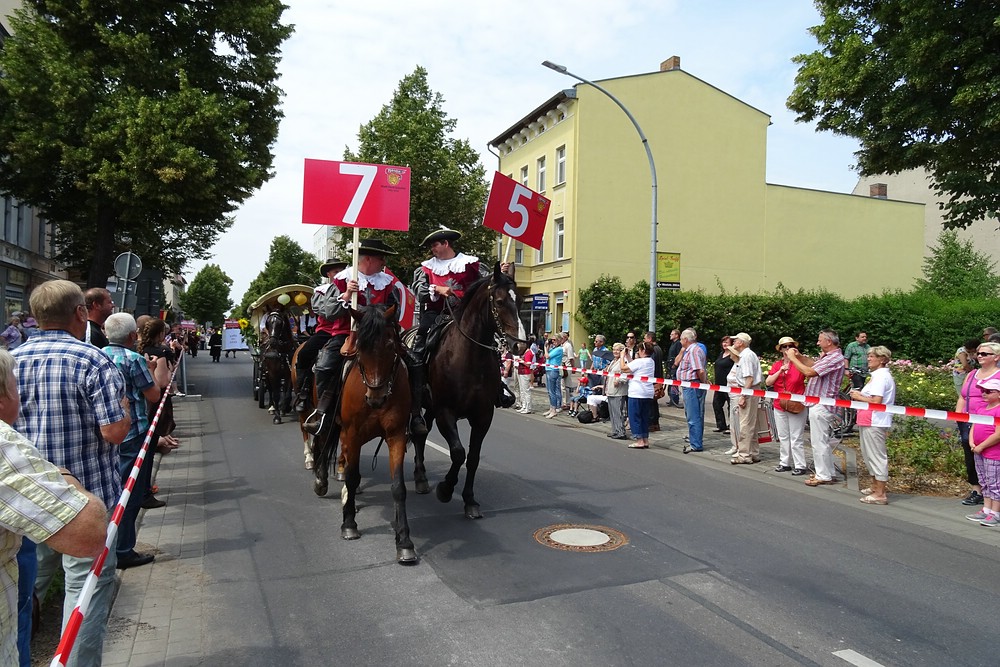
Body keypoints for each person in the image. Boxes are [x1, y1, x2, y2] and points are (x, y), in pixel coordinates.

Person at [14, 280, 129, 667]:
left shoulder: (12, 360)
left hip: (27, 497)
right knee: (85, 590)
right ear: (80, 313)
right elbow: (114, 432)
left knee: (28, 583)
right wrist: (125, 410)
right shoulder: (93, 361)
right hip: (85, 503)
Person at [0, 349, 108, 667]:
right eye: (16, 386)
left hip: (26, 525)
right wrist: (64, 477)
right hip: (56, 510)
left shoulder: (21, 351)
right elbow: (88, 535)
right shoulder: (4, 447)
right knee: (81, 582)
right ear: (3, 397)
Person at [304, 241, 423, 435]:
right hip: (347, 334)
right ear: (368, 259)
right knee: (325, 366)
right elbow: (328, 312)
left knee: (415, 363)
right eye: (381, 258)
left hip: (380, 337)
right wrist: (346, 295)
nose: (384, 262)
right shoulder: (342, 280)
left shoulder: (387, 282)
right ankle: (324, 415)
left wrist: (376, 316)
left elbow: (395, 310)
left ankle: (415, 415)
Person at [412, 227, 515, 416]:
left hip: (466, 314)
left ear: (446, 244)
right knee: (421, 341)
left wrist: (499, 275)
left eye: (434, 245)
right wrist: (437, 289)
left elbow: (488, 285)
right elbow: (420, 291)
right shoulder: (425, 268)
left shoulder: (471, 264)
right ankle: (416, 389)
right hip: (437, 313)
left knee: (489, 343)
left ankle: (497, 388)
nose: (432, 249)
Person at [103, 313, 165, 569]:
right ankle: (123, 549)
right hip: (133, 432)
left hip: (105, 432)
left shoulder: (97, 355)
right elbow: (153, 395)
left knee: (111, 488)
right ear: (132, 336)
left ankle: (108, 544)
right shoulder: (134, 359)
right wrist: (150, 369)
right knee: (130, 492)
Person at [785, 329, 846, 486]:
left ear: (829, 341)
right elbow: (814, 365)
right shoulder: (828, 357)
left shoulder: (834, 358)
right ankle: (828, 472)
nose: (818, 343)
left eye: (820, 340)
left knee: (819, 441)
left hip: (822, 404)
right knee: (821, 441)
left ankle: (823, 475)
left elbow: (810, 372)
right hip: (818, 403)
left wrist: (792, 358)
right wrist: (800, 357)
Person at [292, 257, 348, 412]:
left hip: (350, 330)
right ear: (328, 274)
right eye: (335, 271)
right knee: (304, 354)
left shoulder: (354, 286)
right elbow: (325, 311)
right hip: (327, 332)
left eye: (341, 270)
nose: (339, 273)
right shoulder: (321, 291)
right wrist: (341, 302)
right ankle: (303, 392)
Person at [849, 345, 896, 505]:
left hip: (875, 420)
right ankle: (875, 486)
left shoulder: (881, 377)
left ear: (882, 359)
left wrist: (858, 396)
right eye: (868, 356)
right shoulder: (877, 376)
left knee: (876, 456)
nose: (868, 359)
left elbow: (877, 401)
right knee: (869, 455)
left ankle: (880, 493)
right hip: (869, 419)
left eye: (872, 356)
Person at [955, 341, 1000, 506]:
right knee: (971, 455)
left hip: (989, 422)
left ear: (996, 357)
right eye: (978, 353)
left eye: (984, 354)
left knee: (991, 459)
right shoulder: (972, 374)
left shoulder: (998, 376)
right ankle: (977, 490)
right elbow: (963, 396)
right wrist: (958, 416)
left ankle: (993, 497)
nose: (979, 356)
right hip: (967, 421)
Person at [766, 336, 810, 475]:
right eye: (784, 347)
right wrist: (780, 371)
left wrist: (798, 358)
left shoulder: (798, 364)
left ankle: (800, 465)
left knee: (796, 436)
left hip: (796, 403)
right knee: (783, 435)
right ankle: (784, 462)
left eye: (790, 346)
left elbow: (810, 371)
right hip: (779, 404)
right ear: (780, 350)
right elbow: (768, 382)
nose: (787, 349)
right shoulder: (777, 364)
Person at [965, 377, 1000, 526]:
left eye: (988, 391)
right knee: (984, 481)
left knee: (994, 483)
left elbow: (998, 434)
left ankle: (996, 512)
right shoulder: (981, 409)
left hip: (993, 453)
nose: (984, 393)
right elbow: (974, 426)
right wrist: (972, 442)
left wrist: (982, 446)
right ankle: (986, 509)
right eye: (982, 391)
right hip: (978, 450)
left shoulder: (998, 410)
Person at [727, 333, 762, 464]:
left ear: (741, 342)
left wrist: (743, 396)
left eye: (735, 340)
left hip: (748, 390)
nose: (733, 342)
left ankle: (744, 455)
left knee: (745, 424)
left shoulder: (746, 356)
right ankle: (753, 453)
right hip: (752, 390)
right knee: (751, 423)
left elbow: (749, 379)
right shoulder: (748, 355)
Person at [620, 341, 655, 449]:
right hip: (647, 392)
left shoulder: (640, 361)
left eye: (639, 350)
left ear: (643, 351)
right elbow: (635, 366)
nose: (638, 352)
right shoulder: (650, 361)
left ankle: (639, 440)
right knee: (644, 417)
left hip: (637, 392)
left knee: (634, 416)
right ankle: (645, 439)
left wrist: (622, 357)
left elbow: (624, 368)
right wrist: (628, 357)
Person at [676, 328, 706, 453]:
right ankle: (695, 441)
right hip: (690, 385)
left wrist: (703, 383)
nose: (680, 341)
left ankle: (696, 444)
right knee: (693, 415)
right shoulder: (690, 350)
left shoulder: (694, 350)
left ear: (685, 339)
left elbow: (700, 370)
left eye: (681, 339)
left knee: (693, 416)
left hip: (693, 385)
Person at [604, 343, 629, 440]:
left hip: (618, 391)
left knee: (618, 412)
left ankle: (621, 432)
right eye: (614, 349)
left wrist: (619, 380)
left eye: (618, 350)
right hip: (610, 389)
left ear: (622, 351)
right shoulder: (613, 361)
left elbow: (627, 375)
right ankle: (615, 430)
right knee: (612, 412)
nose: (615, 351)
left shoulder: (624, 361)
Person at [711, 336, 733, 434]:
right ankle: (721, 425)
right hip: (719, 384)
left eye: (727, 342)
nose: (725, 344)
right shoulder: (721, 354)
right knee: (716, 404)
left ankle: (731, 426)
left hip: (728, 385)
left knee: (730, 405)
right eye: (723, 342)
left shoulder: (732, 356)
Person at [644, 331, 664, 431]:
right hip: (657, 378)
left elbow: (650, 364)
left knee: (651, 402)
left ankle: (652, 423)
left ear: (650, 339)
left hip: (653, 379)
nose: (644, 341)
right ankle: (655, 422)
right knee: (654, 402)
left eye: (645, 338)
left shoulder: (653, 350)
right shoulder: (659, 348)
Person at [543, 336, 564, 419]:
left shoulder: (559, 349)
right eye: (552, 340)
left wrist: (545, 347)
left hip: (553, 370)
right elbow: (546, 354)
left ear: (559, 341)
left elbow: (547, 356)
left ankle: (554, 410)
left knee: (552, 391)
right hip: (548, 369)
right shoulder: (553, 348)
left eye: (555, 340)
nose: (553, 341)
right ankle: (551, 408)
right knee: (549, 391)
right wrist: (548, 346)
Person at [516, 344, 535, 414]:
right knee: (522, 390)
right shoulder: (524, 353)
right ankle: (524, 406)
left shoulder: (528, 353)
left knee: (526, 391)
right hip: (521, 372)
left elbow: (528, 364)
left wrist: (521, 361)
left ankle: (528, 407)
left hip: (525, 373)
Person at [665, 329, 682, 408]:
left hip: (674, 366)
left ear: (676, 335)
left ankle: (675, 399)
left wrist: (675, 364)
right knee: (671, 383)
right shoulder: (673, 343)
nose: (670, 335)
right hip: (670, 366)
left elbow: (679, 355)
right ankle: (672, 399)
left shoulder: (678, 343)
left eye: (672, 334)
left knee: (674, 383)